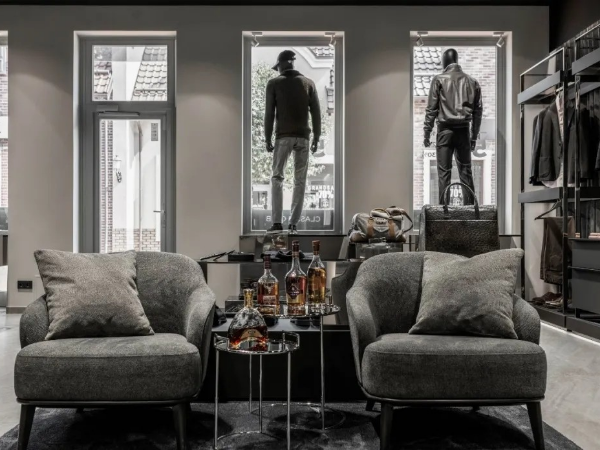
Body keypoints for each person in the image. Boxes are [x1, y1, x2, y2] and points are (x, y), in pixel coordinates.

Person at [264, 50, 321, 234]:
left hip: (283, 136)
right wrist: (317, 137)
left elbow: (269, 113)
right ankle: (293, 224)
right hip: (303, 138)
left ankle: (277, 223)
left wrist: (267, 137)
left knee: (277, 177)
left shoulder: (274, 83)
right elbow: (316, 114)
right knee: (300, 181)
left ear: (281, 65)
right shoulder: (309, 83)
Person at [423, 48, 483, 205]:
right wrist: (473, 137)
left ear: (445, 61)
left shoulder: (438, 80)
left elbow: (431, 110)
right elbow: (478, 113)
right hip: (464, 131)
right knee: (466, 173)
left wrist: (426, 133)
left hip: (445, 131)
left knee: (444, 174)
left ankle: (444, 213)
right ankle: (470, 212)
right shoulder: (472, 82)